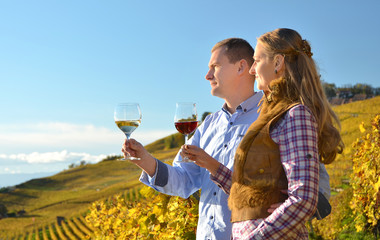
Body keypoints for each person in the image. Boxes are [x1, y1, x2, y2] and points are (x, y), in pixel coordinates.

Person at [122, 37, 332, 239]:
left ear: (241, 67)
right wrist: (145, 161)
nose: (207, 75)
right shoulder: (207, 126)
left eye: (215, 66)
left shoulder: (275, 115)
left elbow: (312, 190)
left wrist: (287, 205)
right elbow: (184, 181)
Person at [182, 28, 344, 239]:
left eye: (256, 61)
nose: (252, 70)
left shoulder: (296, 114)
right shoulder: (268, 115)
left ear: (277, 63)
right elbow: (252, 194)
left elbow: (304, 199)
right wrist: (213, 166)